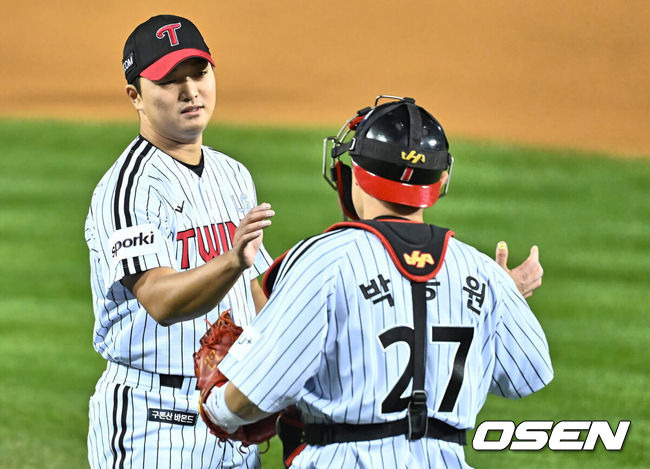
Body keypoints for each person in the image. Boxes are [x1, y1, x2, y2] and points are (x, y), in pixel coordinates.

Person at [201, 96, 553, 468]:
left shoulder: (324, 260)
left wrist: (216, 409)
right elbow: (527, 375)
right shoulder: (483, 273)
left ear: (353, 172)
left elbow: (249, 398)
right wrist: (502, 295)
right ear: (440, 180)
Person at [84, 14, 274, 468]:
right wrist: (231, 261)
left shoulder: (233, 174)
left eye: (199, 73)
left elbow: (257, 288)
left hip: (231, 410)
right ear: (136, 96)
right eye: (171, 80)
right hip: (154, 422)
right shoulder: (129, 188)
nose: (190, 91)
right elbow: (159, 299)